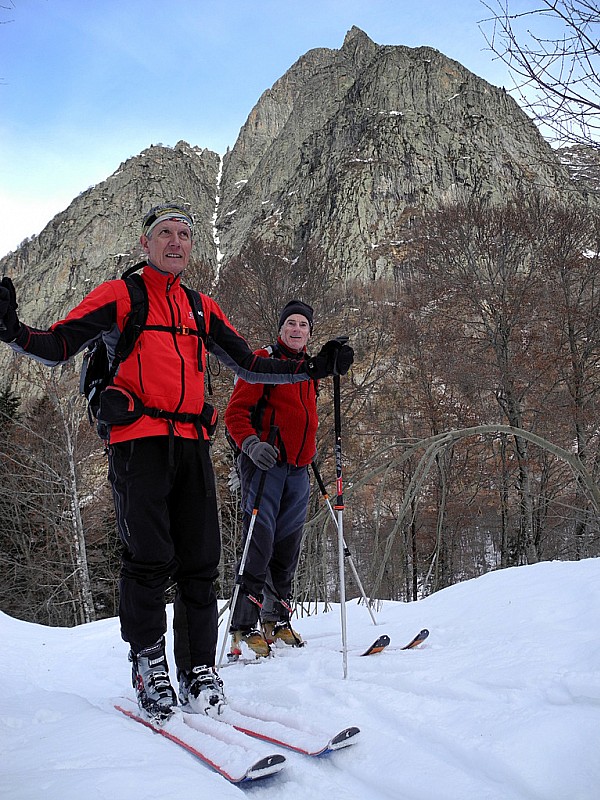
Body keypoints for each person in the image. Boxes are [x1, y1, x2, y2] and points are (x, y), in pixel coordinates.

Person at [0, 203, 353, 723]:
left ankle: (197, 668)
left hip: (191, 443)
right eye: (164, 233)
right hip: (138, 442)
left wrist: (313, 369)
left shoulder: (200, 307)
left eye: (184, 234)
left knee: (200, 560)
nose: (175, 242)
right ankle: (149, 665)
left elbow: (249, 363)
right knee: (148, 558)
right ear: (145, 244)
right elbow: (59, 344)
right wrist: (12, 329)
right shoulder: (120, 296)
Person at [224, 300, 332, 658]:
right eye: (291, 323)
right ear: (281, 328)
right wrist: (252, 445)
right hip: (265, 467)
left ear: (310, 332)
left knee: (287, 546)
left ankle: (277, 619)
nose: (296, 329)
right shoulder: (262, 361)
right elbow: (235, 414)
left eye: (303, 324)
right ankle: (244, 626)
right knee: (259, 543)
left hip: (299, 469)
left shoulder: (309, 369)